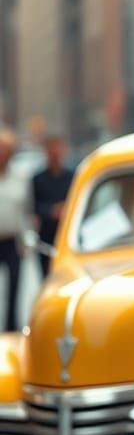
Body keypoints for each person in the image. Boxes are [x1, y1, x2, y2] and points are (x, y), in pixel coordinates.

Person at [31, 134, 74, 277]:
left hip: (67, 232)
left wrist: (66, 209)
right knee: (46, 274)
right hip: (46, 233)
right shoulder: (37, 179)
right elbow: (32, 205)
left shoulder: (72, 176)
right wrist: (50, 211)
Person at [0, 128, 30, 332]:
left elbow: (26, 210)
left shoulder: (21, 176)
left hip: (12, 239)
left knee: (14, 286)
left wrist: (25, 240)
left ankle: (11, 327)